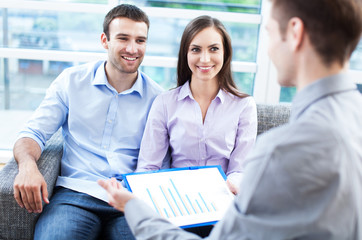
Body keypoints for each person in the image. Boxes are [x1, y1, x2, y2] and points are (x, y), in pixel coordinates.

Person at [98, 0, 362, 239]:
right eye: (196, 49)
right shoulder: (353, 117)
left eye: (268, 33)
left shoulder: (279, 150)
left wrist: (133, 207)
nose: (267, 50)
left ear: (294, 33)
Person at [13, 4, 163, 240]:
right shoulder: (71, 81)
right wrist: (28, 167)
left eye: (140, 40)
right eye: (123, 38)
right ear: (105, 40)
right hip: (75, 195)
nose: (132, 48)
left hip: (130, 201)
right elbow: (32, 133)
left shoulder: (158, 99)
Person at [136, 15, 257, 195]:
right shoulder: (165, 103)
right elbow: (148, 167)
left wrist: (228, 190)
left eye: (214, 49)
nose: (205, 59)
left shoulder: (244, 106)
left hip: (223, 198)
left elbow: (239, 171)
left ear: (225, 53)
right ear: (186, 54)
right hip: (177, 197)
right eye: (196, 49)